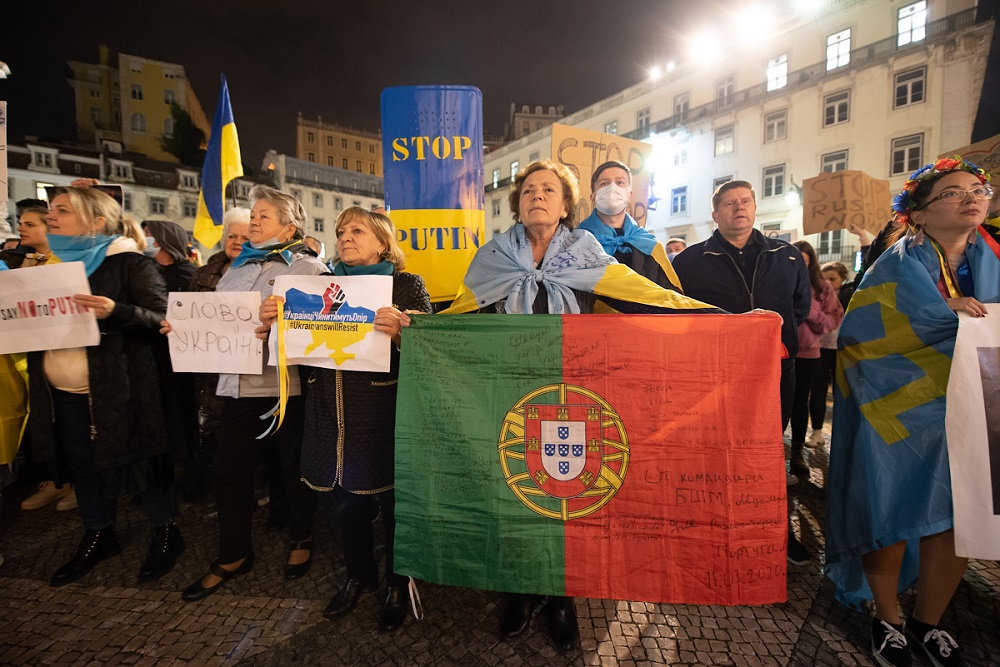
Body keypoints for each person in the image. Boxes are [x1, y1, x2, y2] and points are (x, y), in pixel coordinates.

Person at [444, 160, 717, 652]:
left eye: (548, 189)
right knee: (515, 493)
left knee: (566, 492)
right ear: (517, 203)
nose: (537, 196)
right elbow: (460, 318)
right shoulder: (493, 257)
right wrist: (414, 326)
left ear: (567, 204)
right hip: (511, 397)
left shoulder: (583, 251)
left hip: (573, 397)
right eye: (528, 190)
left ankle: (562, 595)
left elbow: (645, 299)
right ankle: (520, 591)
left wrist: (723, 320)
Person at [826, 157, 999, 667]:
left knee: (957, 513)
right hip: (895, 405)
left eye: (978, 188)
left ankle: (930, 620)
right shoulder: (895, 264)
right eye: (952, 192)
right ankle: (887, 619)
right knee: (892, 507)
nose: (970, 197)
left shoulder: (994, 256)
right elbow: (861, 334)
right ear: (918, 215)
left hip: (971, 404)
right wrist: (940, 313)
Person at [261, 207, 431, 632]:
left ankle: (396, 581)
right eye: (341, 231)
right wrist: (271, 323)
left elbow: (431, 344)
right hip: (327, 410)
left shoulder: (405, 285)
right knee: (345, 502)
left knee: (393, 504)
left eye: (357, 230)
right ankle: (359, 574)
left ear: (382, 242)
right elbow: (294, 342)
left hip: (381, 411)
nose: (346, 237)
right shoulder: (317, 285)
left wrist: (404, 330)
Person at [26, 186, 183, 585]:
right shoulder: (49, 267)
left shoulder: (130, 264)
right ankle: (99, 532)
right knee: (82, 461)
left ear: (96, 221)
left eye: (62, 210)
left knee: (142, 459)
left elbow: (163, 321)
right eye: (50, 211)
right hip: (63, 391)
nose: (51, 217)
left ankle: (165, 531)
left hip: (123, 388)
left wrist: (119, 311)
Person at [179, 185, 325, 602]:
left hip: (285, 387)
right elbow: (218, 318)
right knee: (228, 472)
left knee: (291, 470)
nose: (253, 221)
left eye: (263, 215)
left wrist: (284, 319)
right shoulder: (236, 267)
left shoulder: (309, 269)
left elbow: (326, 326)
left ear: (289, 225)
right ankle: (233, 554)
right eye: (253, 214)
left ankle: (301, 538)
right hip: (238, 385)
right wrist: (186, 330)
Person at [671, 180, 811, 561]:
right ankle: (710, 525)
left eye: (745, 201)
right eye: (729, 203)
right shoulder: (688, 262)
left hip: (777, 371)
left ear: (754, 206)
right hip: (715, 374)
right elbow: (680, 315)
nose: (739, 208)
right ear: (715, 214)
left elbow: (799, 309)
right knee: (713, 451)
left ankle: (774, 530)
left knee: (766, 455)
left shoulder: (788, 256)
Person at [2, 207, 79, 513]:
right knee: (48, 424)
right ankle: (59, 480)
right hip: (32, 356)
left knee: (71, 426)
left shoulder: (68, 264)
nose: (21, 227)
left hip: (64, 357)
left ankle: (78, 483)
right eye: (20, 223)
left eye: (29, 223)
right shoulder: (20, 262)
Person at [183, 208, 252, 503]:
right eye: (231, 236)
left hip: (246, 371)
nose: (236, 241)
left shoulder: (262, 273)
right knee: (212, 431)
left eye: (244, 237)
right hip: (208, 370)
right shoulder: (203, 273)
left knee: (242, 442)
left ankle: (245, 493)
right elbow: (189, 314)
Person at [576, 160, 684, 293]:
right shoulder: (575, 243)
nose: (612, 188)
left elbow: (670, 296)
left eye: (620, 182)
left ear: (629, 195)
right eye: (604, 183)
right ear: (593, 197)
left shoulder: (650, 245)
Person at [787, 241, 842, 477]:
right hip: (777, 351)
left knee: (800, 401)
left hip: (807, 353)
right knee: (773, 403)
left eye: (804, 261)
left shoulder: (821, 288)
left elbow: (832, 319)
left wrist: (810, 311)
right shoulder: (777, 283)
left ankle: (797, 450)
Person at [810, 261, 855, 447]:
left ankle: (843, 435)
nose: (829, 282)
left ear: (843, 279)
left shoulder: (849, 294)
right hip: (820, 348)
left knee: (842, 393)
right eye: (825, 278)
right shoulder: (817, 294)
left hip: (843, 350)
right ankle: (816, 432)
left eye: (833, 279)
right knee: (818, 391)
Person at [143, 219, 197, 292]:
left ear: (164, 238)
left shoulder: (193, 275)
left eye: (147, 233)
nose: (142, 237)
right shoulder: (142, 269)